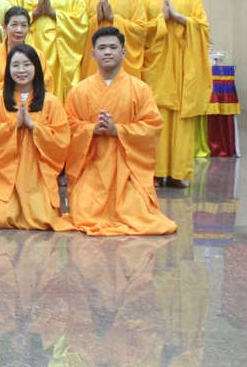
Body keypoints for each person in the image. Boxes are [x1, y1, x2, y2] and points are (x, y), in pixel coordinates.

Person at [65, 27, 176, 235]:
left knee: (137, 213)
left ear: (123, 52)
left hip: (128, 169)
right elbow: (68, 126)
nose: (107, 52)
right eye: (102, 48)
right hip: (92, 166)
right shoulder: (79, 91)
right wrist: (91, 129)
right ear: (92, 54)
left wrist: (118, 130)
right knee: (83, 212)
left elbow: (153, 125)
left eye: (113, 47)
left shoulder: (140, 89)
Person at [0, 44, 73, 231]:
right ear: (8, 69)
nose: (21, 70)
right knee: (3, 218)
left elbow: (61, 139)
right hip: (7, 174)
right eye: (15, 65)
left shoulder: (50, 102)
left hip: (38, 173)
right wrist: (14, 125)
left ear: (36, 68)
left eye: (27, 65)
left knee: (42, 218)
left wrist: (33, 126)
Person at [141, 0, 212, 189]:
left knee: (182, 120)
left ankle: (177, 173)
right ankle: (155, 172)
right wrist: (161, 19)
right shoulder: (145, 0)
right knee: (155, 117)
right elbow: (140, 31)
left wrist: (179, 17)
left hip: (183, 68)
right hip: (157, 68)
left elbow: (203, 29)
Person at [7, 0, 89, 101]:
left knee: (57, 98)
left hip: (60, 54)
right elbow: (10, 22)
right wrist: (35, 13)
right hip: (29, 50)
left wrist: (53, 13)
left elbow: (81, 23)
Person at [81, 0, 147, 79]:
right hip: (94, 62)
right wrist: (97, 19)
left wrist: (113, 18)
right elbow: (79, 31)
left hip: (124, 62)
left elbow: (141, 30)